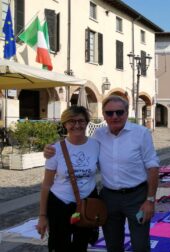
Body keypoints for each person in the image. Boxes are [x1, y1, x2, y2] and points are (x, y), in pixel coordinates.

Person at [45, 96, 160, 252]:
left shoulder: (141, 133)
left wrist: (150, 200)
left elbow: (153, 168)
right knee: (112, 245)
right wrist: (51, 149)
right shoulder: (98, 135)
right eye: (109, 113)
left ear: (127, 112)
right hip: (109, 198)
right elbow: (78, 144)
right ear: (104, 115)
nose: (115, 117)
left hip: (137, 197)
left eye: (119, 112)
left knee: (140, 245)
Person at [37, 106, 100, 251]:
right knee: (60, 246)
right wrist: (42, 216)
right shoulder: (55, 149)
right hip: (60, 204)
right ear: (65, 124)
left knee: (81, 245)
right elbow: (46, 184)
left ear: (87, 123)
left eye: (81, 121)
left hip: (86, 204)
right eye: (71, 121)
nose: (77, 125)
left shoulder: (96, 145)